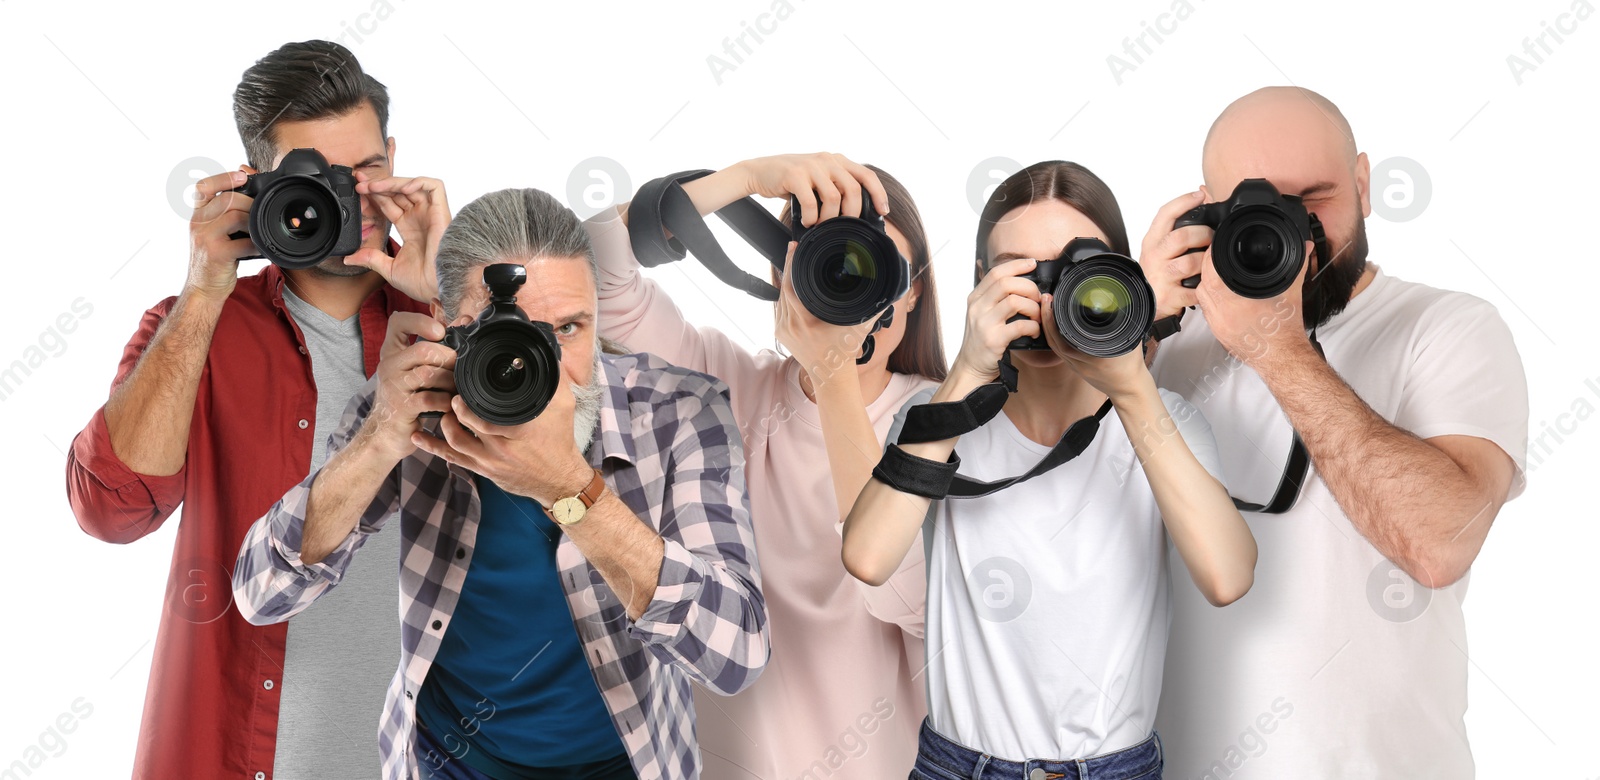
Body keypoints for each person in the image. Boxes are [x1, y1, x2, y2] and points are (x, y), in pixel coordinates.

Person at [233, 187, 769, 780]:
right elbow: (262, 594)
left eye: (568, 328)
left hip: (629, 762)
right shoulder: (412, 406)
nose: (535, 361)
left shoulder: (680, 410)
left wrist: (570, 488)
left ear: (599, 316)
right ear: (446, 327)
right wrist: (381, 436)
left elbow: (735, 654)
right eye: (509, 331)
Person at [63, 40, 448, 779]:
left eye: (367, 170)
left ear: (395, 157)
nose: (350, 198)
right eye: (318, 177)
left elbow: (543, 504)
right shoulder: (191, 328)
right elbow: (111, 512)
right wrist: (206, 284)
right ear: (257, 184)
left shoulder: (468, 319)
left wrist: (442, 294)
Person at [1139, 87, 1529, 778]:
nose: (1293, 227)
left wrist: (1277, 349)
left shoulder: (1448, 329)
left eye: (1314, 197)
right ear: (1208, 210)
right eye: (1255, 206)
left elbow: (1440, 545)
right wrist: (1130, 336)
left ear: (1363, 184)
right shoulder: (1165, 344)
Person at [842, 160, 1257, 780]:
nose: (1042, 298)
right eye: (1017, 273)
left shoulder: (1163, 421)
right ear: (980, 285)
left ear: (1116, 279)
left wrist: (1132, 385)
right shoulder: (937, 419)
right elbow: (867, 560)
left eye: (1071, 272)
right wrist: (968, 370)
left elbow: (1228, 578)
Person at [584, 153, 947, 779]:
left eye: (874, 271)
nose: (851, 294)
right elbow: (588, 272)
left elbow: (911, 600)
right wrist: (744, 182)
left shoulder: (943, 419)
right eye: (830, 268)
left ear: (912, 292)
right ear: (787, 276)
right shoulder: (725, 386)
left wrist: (831, 374)